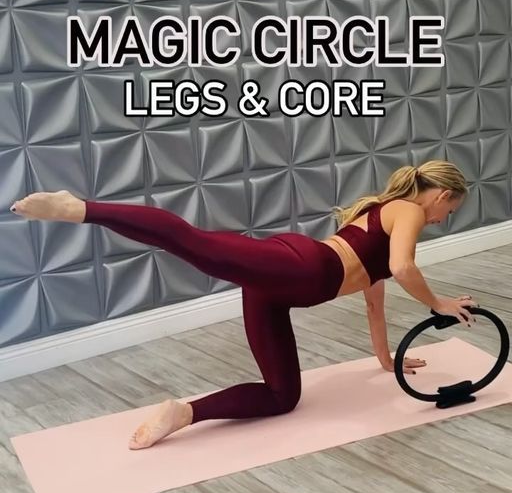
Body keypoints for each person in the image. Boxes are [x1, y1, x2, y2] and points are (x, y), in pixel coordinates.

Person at [11, 160, 477, 450]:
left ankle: (182, 413)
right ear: (441, 194)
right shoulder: (410, 210)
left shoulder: (381, 213)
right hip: (302, 272)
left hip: (282, 287)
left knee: (282, 397)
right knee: (191, 242)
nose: (442, 218)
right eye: (449, 210)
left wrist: (385, 356)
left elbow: (375, 296)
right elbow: (402, 269)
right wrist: (440, 303)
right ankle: (82, 208)